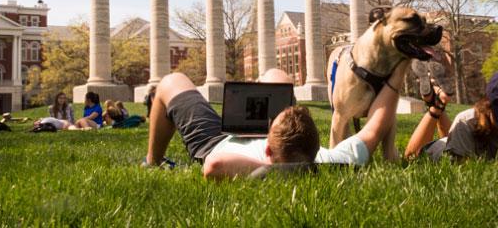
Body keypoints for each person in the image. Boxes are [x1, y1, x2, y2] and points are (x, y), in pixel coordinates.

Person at [145, 72, 403, 179]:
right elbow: (374, 128)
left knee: (171, 81)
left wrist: (274, 170)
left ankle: (152, 162)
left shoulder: (256, 165)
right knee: (276, 76)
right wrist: (396, 76)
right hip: (284, 149)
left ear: (268, 151)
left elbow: (214, 167)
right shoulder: (334, 158)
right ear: (316, 144)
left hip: (216, 143)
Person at [405, 69, 498, 167]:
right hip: (440, 151)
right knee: (411, 157)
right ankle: (436, 107)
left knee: (454, 138)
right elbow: (463, 174)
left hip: (459, 143)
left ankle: (439, 99)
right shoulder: (466, 122)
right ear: (488, 106)